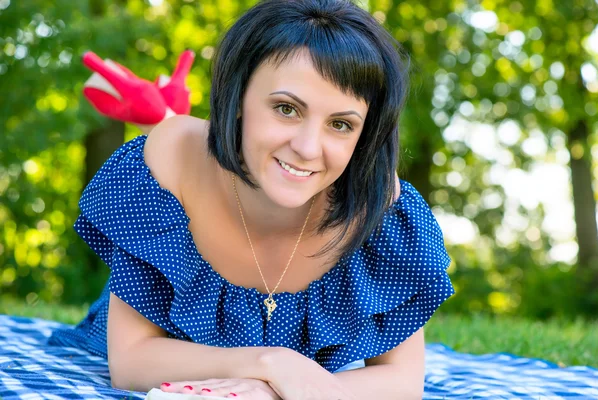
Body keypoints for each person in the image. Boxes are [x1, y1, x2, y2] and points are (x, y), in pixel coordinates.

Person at [48, 0, 455, 399]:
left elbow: (402, 383)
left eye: (340, 124)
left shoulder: (383, 206)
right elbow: (132, 362)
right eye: (286, 109)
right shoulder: (172, 156)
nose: (308, 147)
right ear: (239, 96)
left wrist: (267, 392)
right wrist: (272, 364)